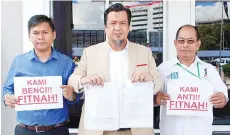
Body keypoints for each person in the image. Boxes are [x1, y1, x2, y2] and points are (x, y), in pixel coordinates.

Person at [68, 3, 161, 135]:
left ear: (129, 27)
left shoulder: (144, 52)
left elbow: (158, 82)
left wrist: (151, 79)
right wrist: (83, 79)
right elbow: (73, 80)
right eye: (113, 23)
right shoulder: (90, 52)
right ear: (106, 27)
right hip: (100, 130)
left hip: (135, 130)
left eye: (122, 23)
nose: (117, 28)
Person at [2, 15, 78, 135]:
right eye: (36, 33)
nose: (40, 37)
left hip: (57, 130)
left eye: (45, 32)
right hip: (25, 131)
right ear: (29, 36)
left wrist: (72, 95)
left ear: (54, 34)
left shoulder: (67, 63)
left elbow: (78, 94)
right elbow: (7, 89)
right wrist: (7, 98)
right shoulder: (19, 62)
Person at [155, 24, 229, 135]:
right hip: (171, 131)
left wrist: (223, 98)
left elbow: (223, 95)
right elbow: (149, 96)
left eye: (190, 41)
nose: (185, 45)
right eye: (181, 41)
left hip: (200, 131)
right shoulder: (163, 69)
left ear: (198, 44)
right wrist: (156, 99)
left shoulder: (209, 70)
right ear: (175, 43)